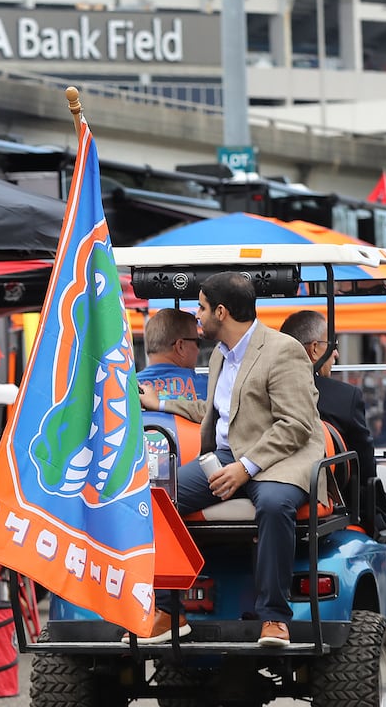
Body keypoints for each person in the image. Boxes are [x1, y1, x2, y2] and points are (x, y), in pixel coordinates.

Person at [138, 272, 325, 647]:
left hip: (281, 459)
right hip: (228, 455)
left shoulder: (282, 349)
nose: (197, 314)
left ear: (221, 312)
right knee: (155, 498)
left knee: (273, 505)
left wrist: (245, 468)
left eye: (202, 307)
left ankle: (274, 618)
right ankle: (169, 609)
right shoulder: (223, 356)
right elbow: (216, 409)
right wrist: (162, 403)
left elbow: (297, 425)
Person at [279, 310, 386, 540]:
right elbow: (366, 467)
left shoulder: (265, 392)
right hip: (336, 500)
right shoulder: (345, 396)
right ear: (314, 349)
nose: (336, 353)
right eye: (331, 344)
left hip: (282, 488)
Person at [136, 308, 207, 401]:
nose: (198, 350)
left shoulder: (125, 388)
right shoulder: (210, 388)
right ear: (180, 346)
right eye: (197, 342)